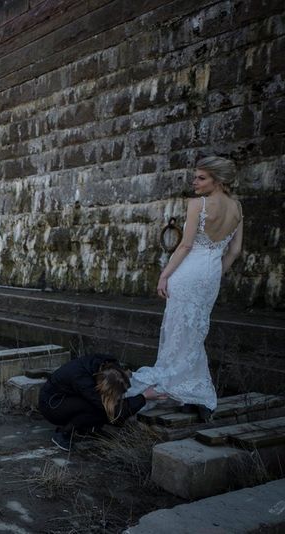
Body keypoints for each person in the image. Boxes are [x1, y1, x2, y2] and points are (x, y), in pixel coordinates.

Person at [127, 157, 243, 422]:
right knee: (193, 334)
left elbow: (185, 246)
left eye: (201, 178)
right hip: (210, 276)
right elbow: (234, 251)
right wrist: (214, 274)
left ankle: (181, 390)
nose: (195, 182)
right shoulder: (237, 208)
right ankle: (196, 394)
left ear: (218, 180)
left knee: (181, 333)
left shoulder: (197, 204)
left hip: (187, 274)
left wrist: (164, 275)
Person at [38, 354, 167, 451]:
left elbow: (120, 382)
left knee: (98, 406)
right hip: (51, 405)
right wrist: (144, 397)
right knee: (98, 408)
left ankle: (87, 429)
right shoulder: (83, 381)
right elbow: (114, 411)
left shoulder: (109, 366)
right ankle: (63, 433)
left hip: (68, 397)